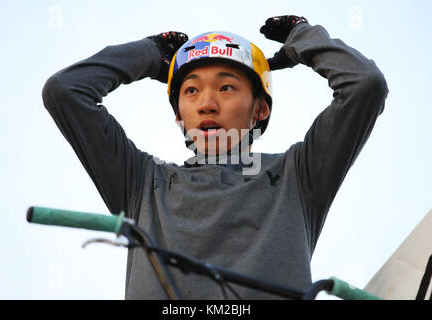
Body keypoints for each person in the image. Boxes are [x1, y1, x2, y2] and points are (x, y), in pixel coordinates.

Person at [42, 15, 389, 299]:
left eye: (226, 87)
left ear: (260, 109)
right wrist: (150, 53)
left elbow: (364, 85)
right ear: (179, 114)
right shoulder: (142, 183)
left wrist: (303, 39)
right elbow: (66, 91)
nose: (206, 103)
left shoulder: (299, 176)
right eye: (190, 90)